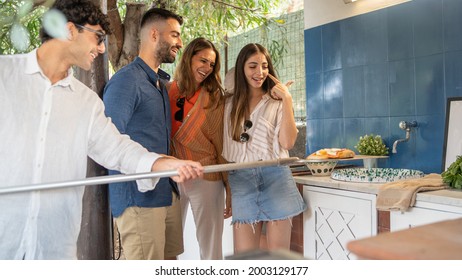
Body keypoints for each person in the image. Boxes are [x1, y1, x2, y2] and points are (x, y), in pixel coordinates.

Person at [0, 0, 203, 260]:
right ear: (70, 30)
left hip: (54, 247)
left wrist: (161, 163)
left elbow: (117, 148)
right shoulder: (5, 74)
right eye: (97, 37)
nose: (101, 48)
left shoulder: (86, 102)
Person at [103, 8, 188, 260]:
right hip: (138, 198)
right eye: (174, 35)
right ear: (154, 34)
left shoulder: (159, 83)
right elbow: (109, 140)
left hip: (166, 191)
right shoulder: (126, 81)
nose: (180, 43)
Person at [222, 43, 306, 254]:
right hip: (241, 180)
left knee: (279, 259)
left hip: (276, 178)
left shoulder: (277, 102)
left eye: (264, 66)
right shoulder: (228, 105)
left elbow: (287, 143)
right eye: (252, 66)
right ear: (241, 68)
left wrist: (287, 99)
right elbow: (225, 152)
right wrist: (228, 190)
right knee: (246, 259)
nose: (260, 72)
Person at [168, 37, 231, 260]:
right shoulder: (166, 91)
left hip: (207, 175)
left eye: (211, 64)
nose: (206, 68)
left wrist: (228, 187)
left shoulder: (215, 98)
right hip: (172, 176)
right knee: (168, 247)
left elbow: (222, 146)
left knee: (210, 247)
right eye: (202, 60)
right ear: (188, 58)